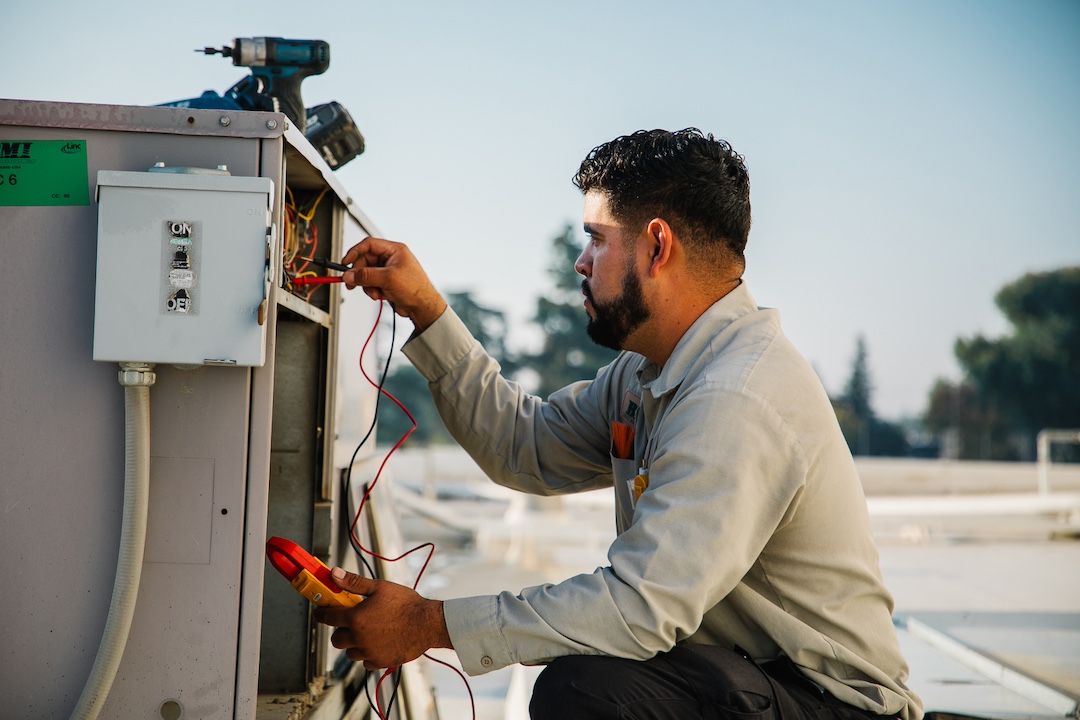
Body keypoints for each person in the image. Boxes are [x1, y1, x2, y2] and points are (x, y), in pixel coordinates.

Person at [315, 128, 923, 720]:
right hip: (744, 676)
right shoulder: (646, 372)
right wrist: (426, 309)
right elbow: (525, 447)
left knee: (589, 692)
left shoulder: (737, 397)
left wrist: (428, 623)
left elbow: (638, 606)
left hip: (827, 701)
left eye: (595, 239)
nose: (580, 262)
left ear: (657, 247)